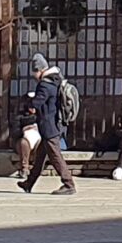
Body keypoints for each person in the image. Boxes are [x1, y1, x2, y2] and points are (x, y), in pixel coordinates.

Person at [16, 53, 76, 195]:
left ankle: (69, 184)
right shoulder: (55, 80)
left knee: (55, 156)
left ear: (40, 70)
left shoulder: (44, 85)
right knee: (40, 157)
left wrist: (28, 103)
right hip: (52, 125)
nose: (34, 76)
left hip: (48, 126)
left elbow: (37, 103)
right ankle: (29, 183)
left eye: (35, 72)